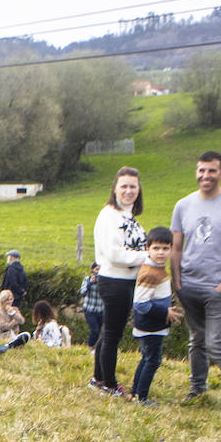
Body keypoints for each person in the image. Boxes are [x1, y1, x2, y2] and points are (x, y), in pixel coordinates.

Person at [171, 151, 221, 414]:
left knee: (215, 343)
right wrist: (178, 282)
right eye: (201, 170)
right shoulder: (183, 205)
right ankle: (198, 390)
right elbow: (176, 248)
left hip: (216, 288)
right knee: (196, 340)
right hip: (188, 287)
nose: (205, 176)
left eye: (211, 171)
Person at [90, 166, 147, 396]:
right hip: (114, 281)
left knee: (108, 332)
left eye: (133, 186)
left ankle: (98, 378)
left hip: (126, 280)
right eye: (123, 186)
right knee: (113, 335)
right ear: (114, 188)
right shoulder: (109, 216)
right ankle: (109, 384)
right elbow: (114, 254)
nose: (128, 190)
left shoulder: (128, 215)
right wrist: (148, 257)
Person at [130, 227, 181, 405]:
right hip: (150, 326)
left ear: (171, 249)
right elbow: (141, 304)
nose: (161, 252)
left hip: (153, 325)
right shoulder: (150, 273)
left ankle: (135, 392)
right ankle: (141, 397)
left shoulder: (157, 268)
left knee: (147, 358)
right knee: (153, 361)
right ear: (147, 248)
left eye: (165, 248)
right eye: (156, 248)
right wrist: (165, 312)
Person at [79, 263, 105, 349]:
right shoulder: (87, 279)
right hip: (89, 309)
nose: (98, 271)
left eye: (100, 269)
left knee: (99, 332)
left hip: (100, 310)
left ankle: (96, 348)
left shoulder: (104, 281)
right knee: (95, 330)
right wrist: (90, 283)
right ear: (93, 270)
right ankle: (90, 347)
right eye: (97, 269)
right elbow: (82, 292)